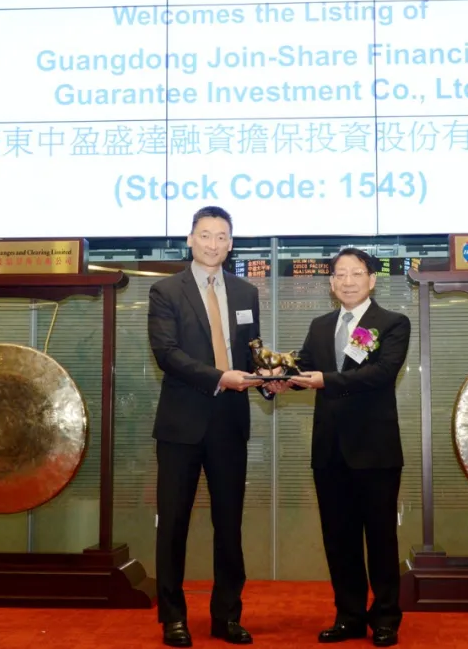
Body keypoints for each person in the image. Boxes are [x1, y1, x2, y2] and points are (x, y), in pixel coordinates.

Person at [270, 247, 410, 647]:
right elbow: (303, 368)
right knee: (339, 539)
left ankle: (385, 617)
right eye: (340, 274)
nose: (348, 281)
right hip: (329, 451)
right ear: (331, 283)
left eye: (356, 273)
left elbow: (382, 373)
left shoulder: (392, 323)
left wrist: (324, 381)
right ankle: (349, 616)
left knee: (380, 538)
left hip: (375, 451)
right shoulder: (320, 326)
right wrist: (278, 380)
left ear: (371, 279)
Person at [148, 206, 268, 647]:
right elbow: (167, 354)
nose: (213, 243)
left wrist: (267, 379)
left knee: (229, 526)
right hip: (181, 425)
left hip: (230, 423)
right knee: (173, 525)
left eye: (221, 237)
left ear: (230, 244)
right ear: (190, 239)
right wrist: (220, 377)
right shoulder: (166, 291)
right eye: (205, 235)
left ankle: (227, 616)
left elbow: (251, 351)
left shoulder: (245, 292)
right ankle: (173, 617)